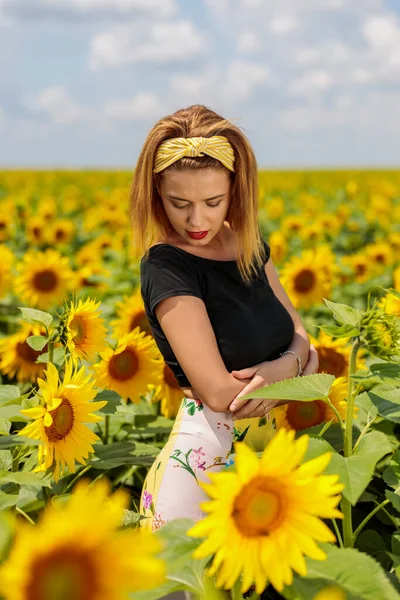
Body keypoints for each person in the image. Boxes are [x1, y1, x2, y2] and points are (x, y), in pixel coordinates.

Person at [129, 104, 318, 533]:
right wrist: (294, 371)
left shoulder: (247, 244)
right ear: (157, 194)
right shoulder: (167, 267)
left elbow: (304, 339)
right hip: (198, 472)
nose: (198, 220)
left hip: (268, 464)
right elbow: (219, 394)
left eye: (213, 202)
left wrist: (277, 370)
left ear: (236, 191)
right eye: (179, 203)